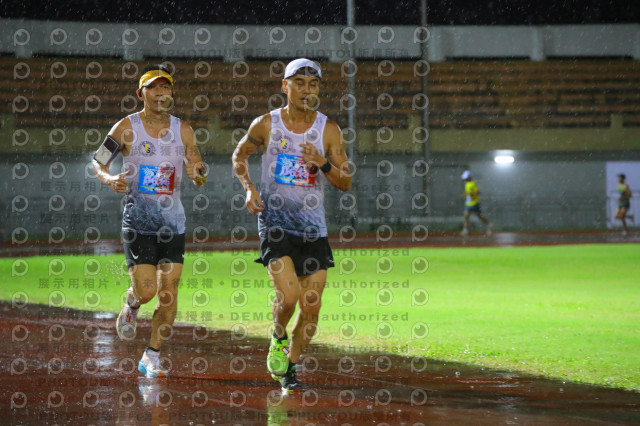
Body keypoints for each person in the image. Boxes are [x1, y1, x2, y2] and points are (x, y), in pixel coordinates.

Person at [231, 58, 352, 392]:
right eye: (299, 83)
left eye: (313, 84)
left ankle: (289, 368)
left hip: (313, 230)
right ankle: (277, 336)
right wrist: (249, 188)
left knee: (311, 307)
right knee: (288, 296)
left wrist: (322, 162)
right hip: (275, 224)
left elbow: (345, 181)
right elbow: (239, 156)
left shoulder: (328, 130)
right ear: (285, 86)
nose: (306, 90)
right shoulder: (266, 124)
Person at [92, 65, 206, 378]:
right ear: (141, 94)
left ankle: (151, 355)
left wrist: (198, 172)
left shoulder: (183, 129)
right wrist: (109, 178)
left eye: (165, 87)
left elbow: (197, 166)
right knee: (147, 291)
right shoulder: (126, 127)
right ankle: (132, 302)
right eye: (153, 88)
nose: (160, 93)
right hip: (138, 222)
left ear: (171, 93)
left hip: (173, 223)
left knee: (168, 293)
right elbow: (98, 161)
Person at [461, 170, 492, 236]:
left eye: (466, 178)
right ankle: (465, 230)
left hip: (475, 203)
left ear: (469, 177)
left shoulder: (473, 183)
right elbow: (467, 192)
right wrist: (465, 194)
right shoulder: (466, 184)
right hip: (468, 203)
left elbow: (477, 192)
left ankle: (488, 224)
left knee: (479, 216)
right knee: (466, 216)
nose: (465, 179)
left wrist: (469, 193)